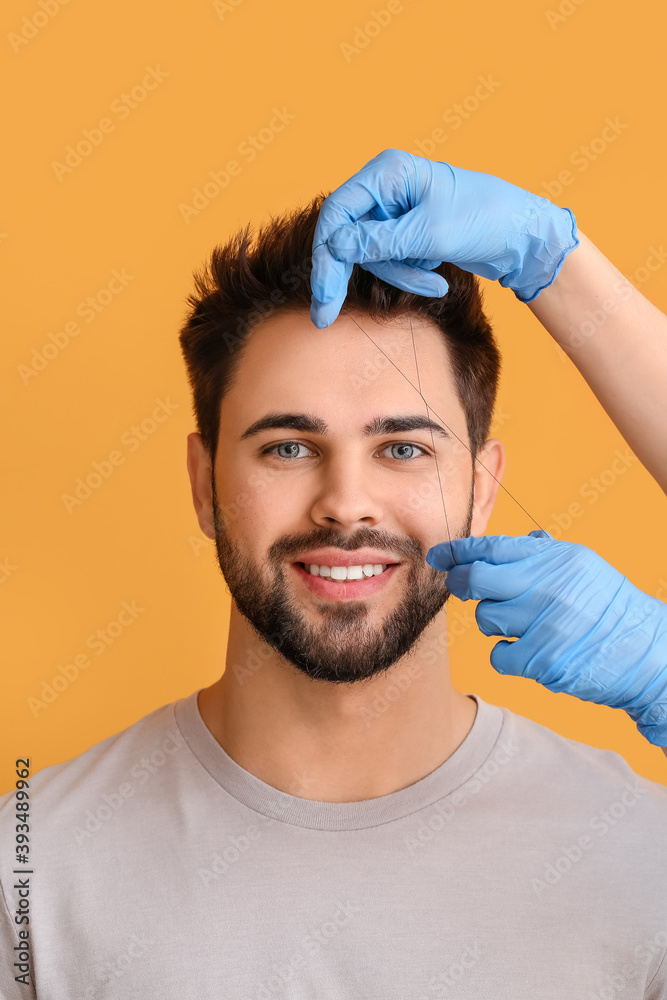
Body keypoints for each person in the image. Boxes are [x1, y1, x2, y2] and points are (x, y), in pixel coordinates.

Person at [1, 152, 665, 999]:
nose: (345, 504)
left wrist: (558, 267)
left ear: (483, 487)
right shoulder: (29, 870)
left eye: (402, 448)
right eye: (287, 447)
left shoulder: (643, 858)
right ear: (204, 486)